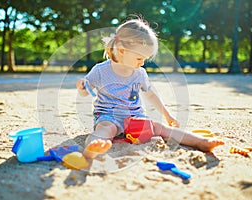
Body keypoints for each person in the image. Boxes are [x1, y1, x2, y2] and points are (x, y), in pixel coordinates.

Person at [76, 17, 224, 161]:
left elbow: (151, 95)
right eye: (139, 58)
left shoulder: (139, 73)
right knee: (106, 130)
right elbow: (85, 91)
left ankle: (200, 142)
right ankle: (92, 148)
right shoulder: (100, 70)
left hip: (134, 117)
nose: (142, 63)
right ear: (121, 50)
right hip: (108, 116)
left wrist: (167, 115)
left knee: (161, 128)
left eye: (145, 59)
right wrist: (82, 88)